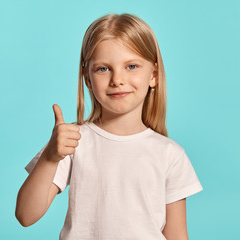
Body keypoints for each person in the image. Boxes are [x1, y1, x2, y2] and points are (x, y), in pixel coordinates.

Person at [15, 13, 203, 239]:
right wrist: (50, 157)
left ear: (153, 75)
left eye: (131, 66)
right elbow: (26, 216)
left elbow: (177, 235)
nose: (117, 80)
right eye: (103, 69)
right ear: (87, 79)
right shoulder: (72, 142)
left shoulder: (170, 154)